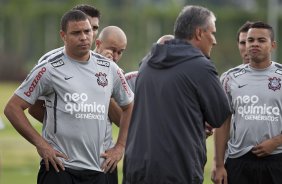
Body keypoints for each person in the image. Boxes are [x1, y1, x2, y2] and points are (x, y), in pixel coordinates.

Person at [4, 10, 133, 184]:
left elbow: (129, 106)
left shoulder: (109, 69)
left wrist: (120, 147)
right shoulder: (49, 68)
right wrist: (41, 144)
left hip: (100, 169)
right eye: (76, 33)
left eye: (87, 31)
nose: (84, 37)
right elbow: (12, 108)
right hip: (60, 169)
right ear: (63, 36)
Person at [123, 5, 231, 184]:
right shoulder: (200, 66)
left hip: (137, 167)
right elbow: (219, 115)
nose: (215, 40)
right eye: (212, 33)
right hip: (177, 169)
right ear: (198, 33)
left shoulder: (147, 62)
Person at [212, 21, 282, 184]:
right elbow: (222, 123)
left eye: (261, 40)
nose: (254, 44)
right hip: (239, 161)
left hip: (276, 160)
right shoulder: (229, 78)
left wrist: (276, 141)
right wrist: (219, 164)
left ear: (273, 45)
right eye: (250, 40)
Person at [28, 4, 101, 122]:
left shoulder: (106, 65)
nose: (89, 34)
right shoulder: (49, 61)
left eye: (94, 28)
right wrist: (64, 129)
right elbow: (34, 108)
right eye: (79, 30)